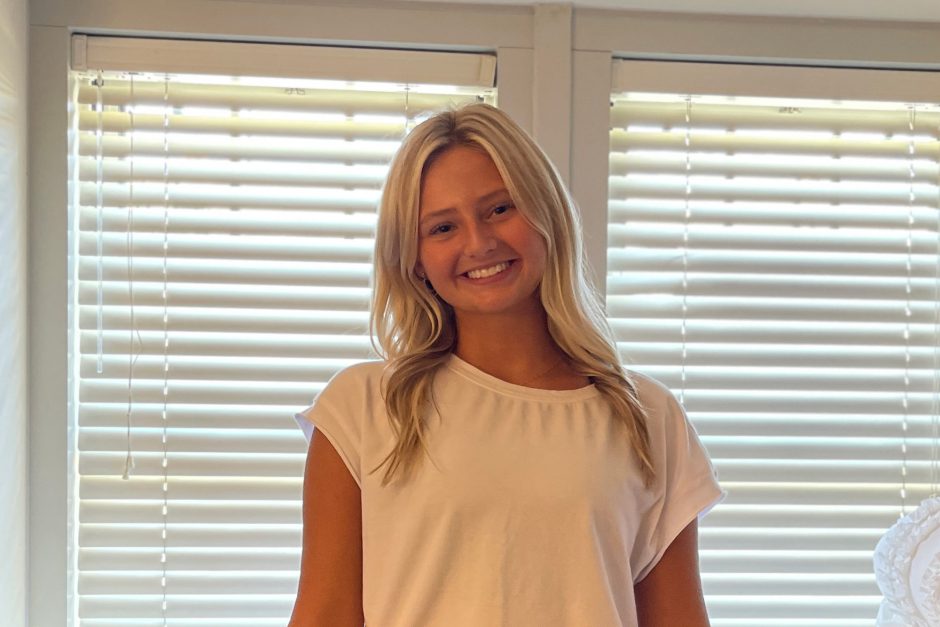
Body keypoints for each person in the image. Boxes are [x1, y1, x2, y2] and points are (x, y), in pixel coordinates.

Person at [288, 103, 725, 627]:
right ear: (415, 260)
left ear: (546, 214)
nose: (479, 243)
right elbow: (324, 615)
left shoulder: (646, 416)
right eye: (442, 227)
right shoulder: (363, 408)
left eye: (499, 209)